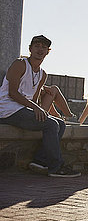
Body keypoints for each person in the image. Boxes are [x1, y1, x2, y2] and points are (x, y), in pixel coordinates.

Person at [0, 35, 80, 177]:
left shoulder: (43, 74)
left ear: (48, 51)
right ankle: (56, 167)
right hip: (7, 109)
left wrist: (40, 108)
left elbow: (35, 99)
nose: (40, 49)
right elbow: (12, 93)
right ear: (30, 49)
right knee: (51, 125)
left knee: (59, 123)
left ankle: (40, 161)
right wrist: (36, 108)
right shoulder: (20, 64)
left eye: (44, 47)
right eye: (37, 46)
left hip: (22, 110)